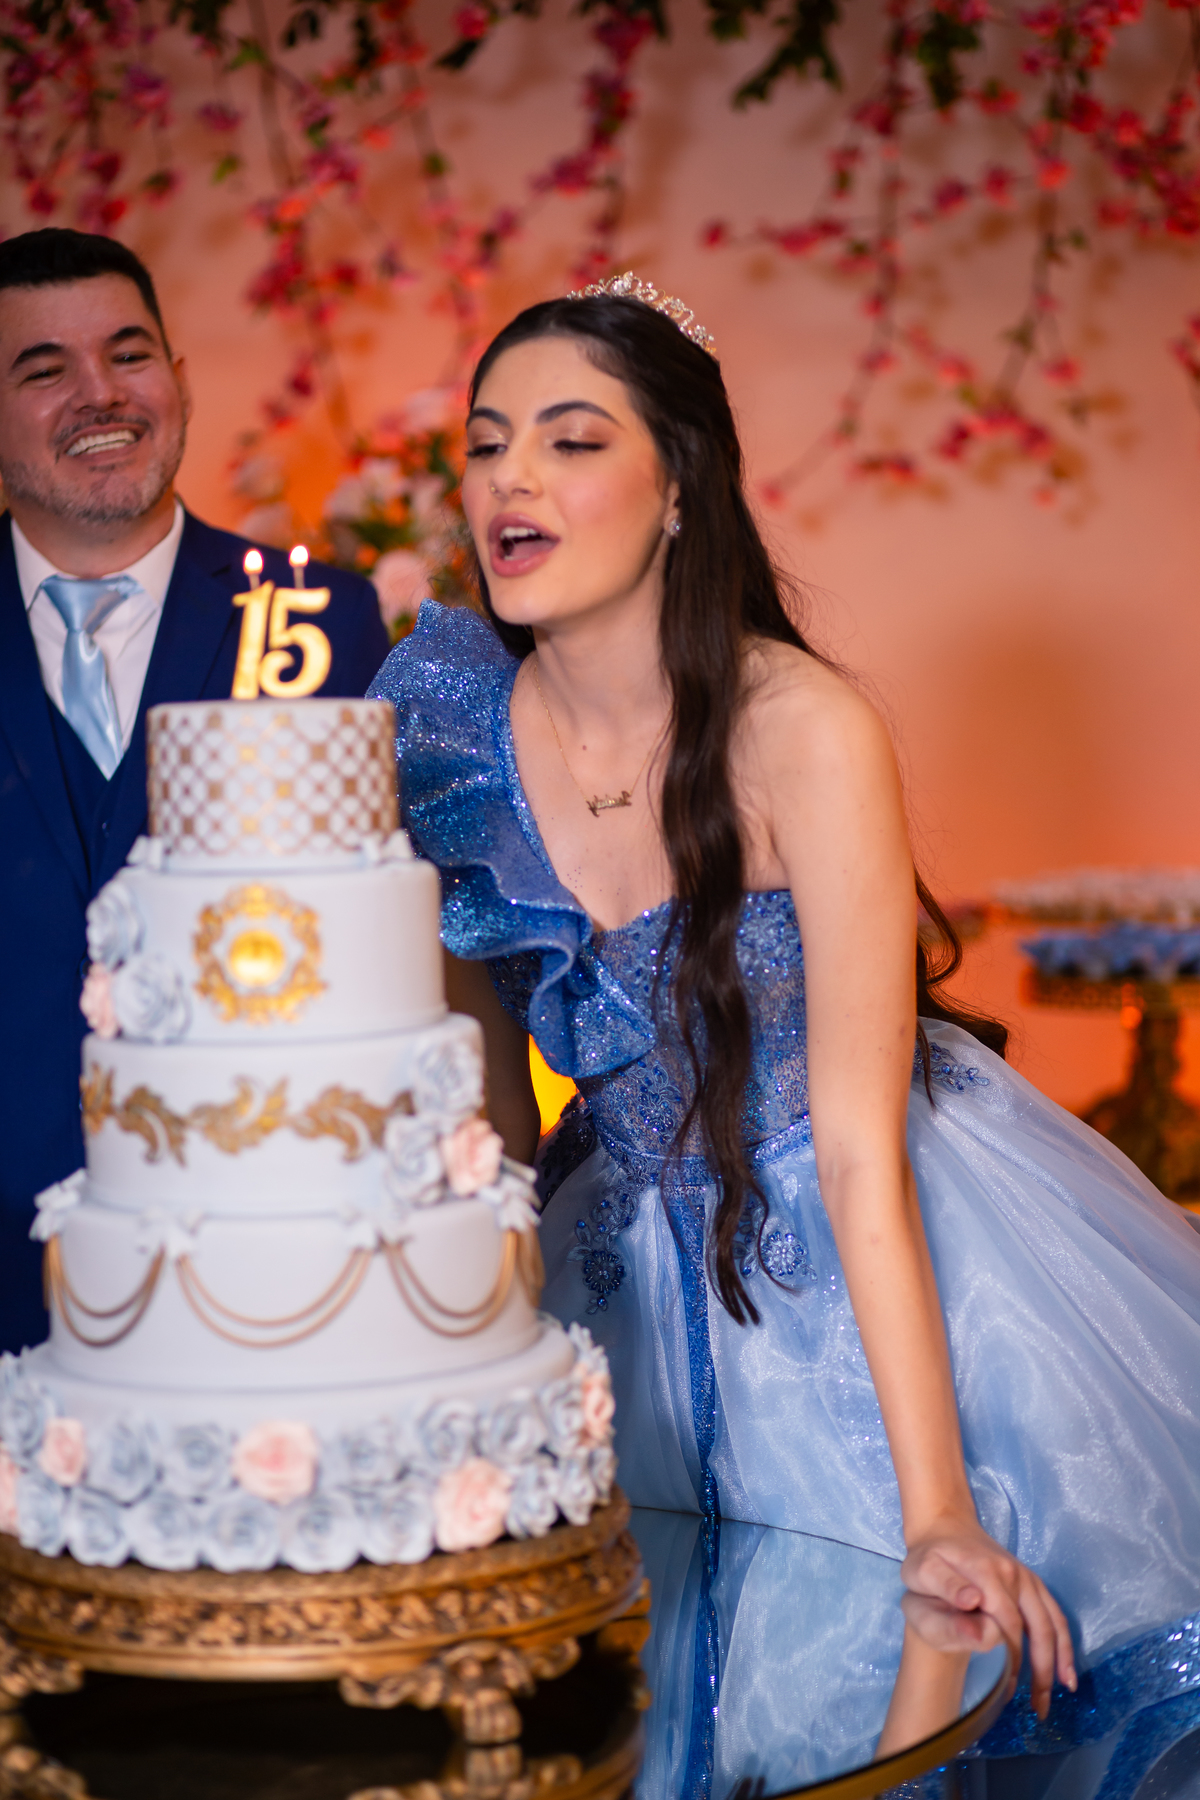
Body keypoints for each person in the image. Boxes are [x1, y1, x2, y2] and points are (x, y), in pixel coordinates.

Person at [368, 279, 1200, 1782]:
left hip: (860, 1229)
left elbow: (865, 1150)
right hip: (613, 1260)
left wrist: (940, 1514)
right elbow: (487, 1138)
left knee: (929, 1680)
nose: (510, 481)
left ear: (681, 486)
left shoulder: (803, 728)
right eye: (488, 444)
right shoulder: (450, 740)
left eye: (571, 440)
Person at [0, 228, 387, 1358]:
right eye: (44, 369)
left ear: (178, 379)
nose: (101, 394)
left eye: (129, 354)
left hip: (261, 1284)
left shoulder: (322, 623)